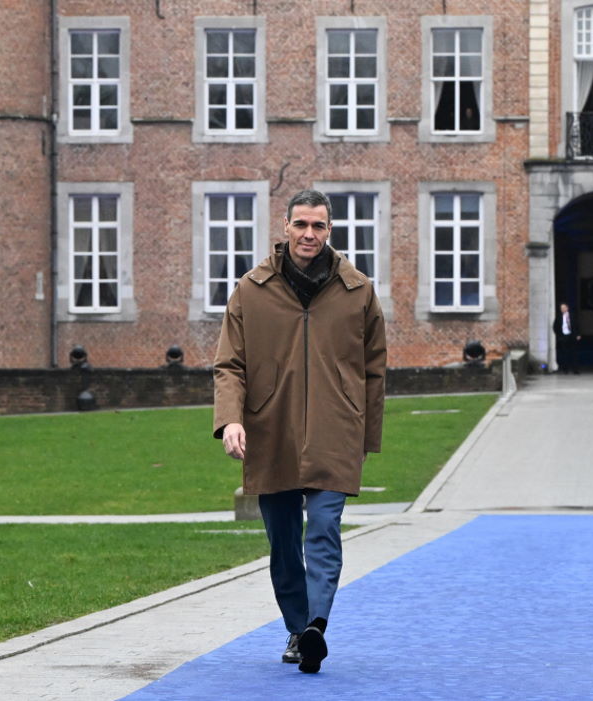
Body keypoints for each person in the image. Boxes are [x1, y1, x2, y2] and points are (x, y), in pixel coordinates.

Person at [213, 189, 387, 674]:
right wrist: (230, 419)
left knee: (325, 529)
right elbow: (229, 364)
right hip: (271, 430)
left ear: (330, 231)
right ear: (285, 227)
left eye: (319, 226)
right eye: (301, 225)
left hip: (337, 429)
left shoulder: (358, 291)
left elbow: (375, 370)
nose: (309, 234)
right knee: (283, 540)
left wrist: (366, 436)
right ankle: (297, 626)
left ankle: (315, 626)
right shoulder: (251, 289)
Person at [553, 302, 580, 374]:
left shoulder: (572, 315)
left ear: (567, 308)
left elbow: (577, 325)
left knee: (573, 353)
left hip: (572, 336)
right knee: (565, 354)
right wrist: (559, 336)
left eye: (564, 308)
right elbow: (555, 327)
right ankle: (565, 370)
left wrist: (578, 334)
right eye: (561, 308)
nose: (562, 309)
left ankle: (575, 370)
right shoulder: (558, 317)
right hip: (563, 336)